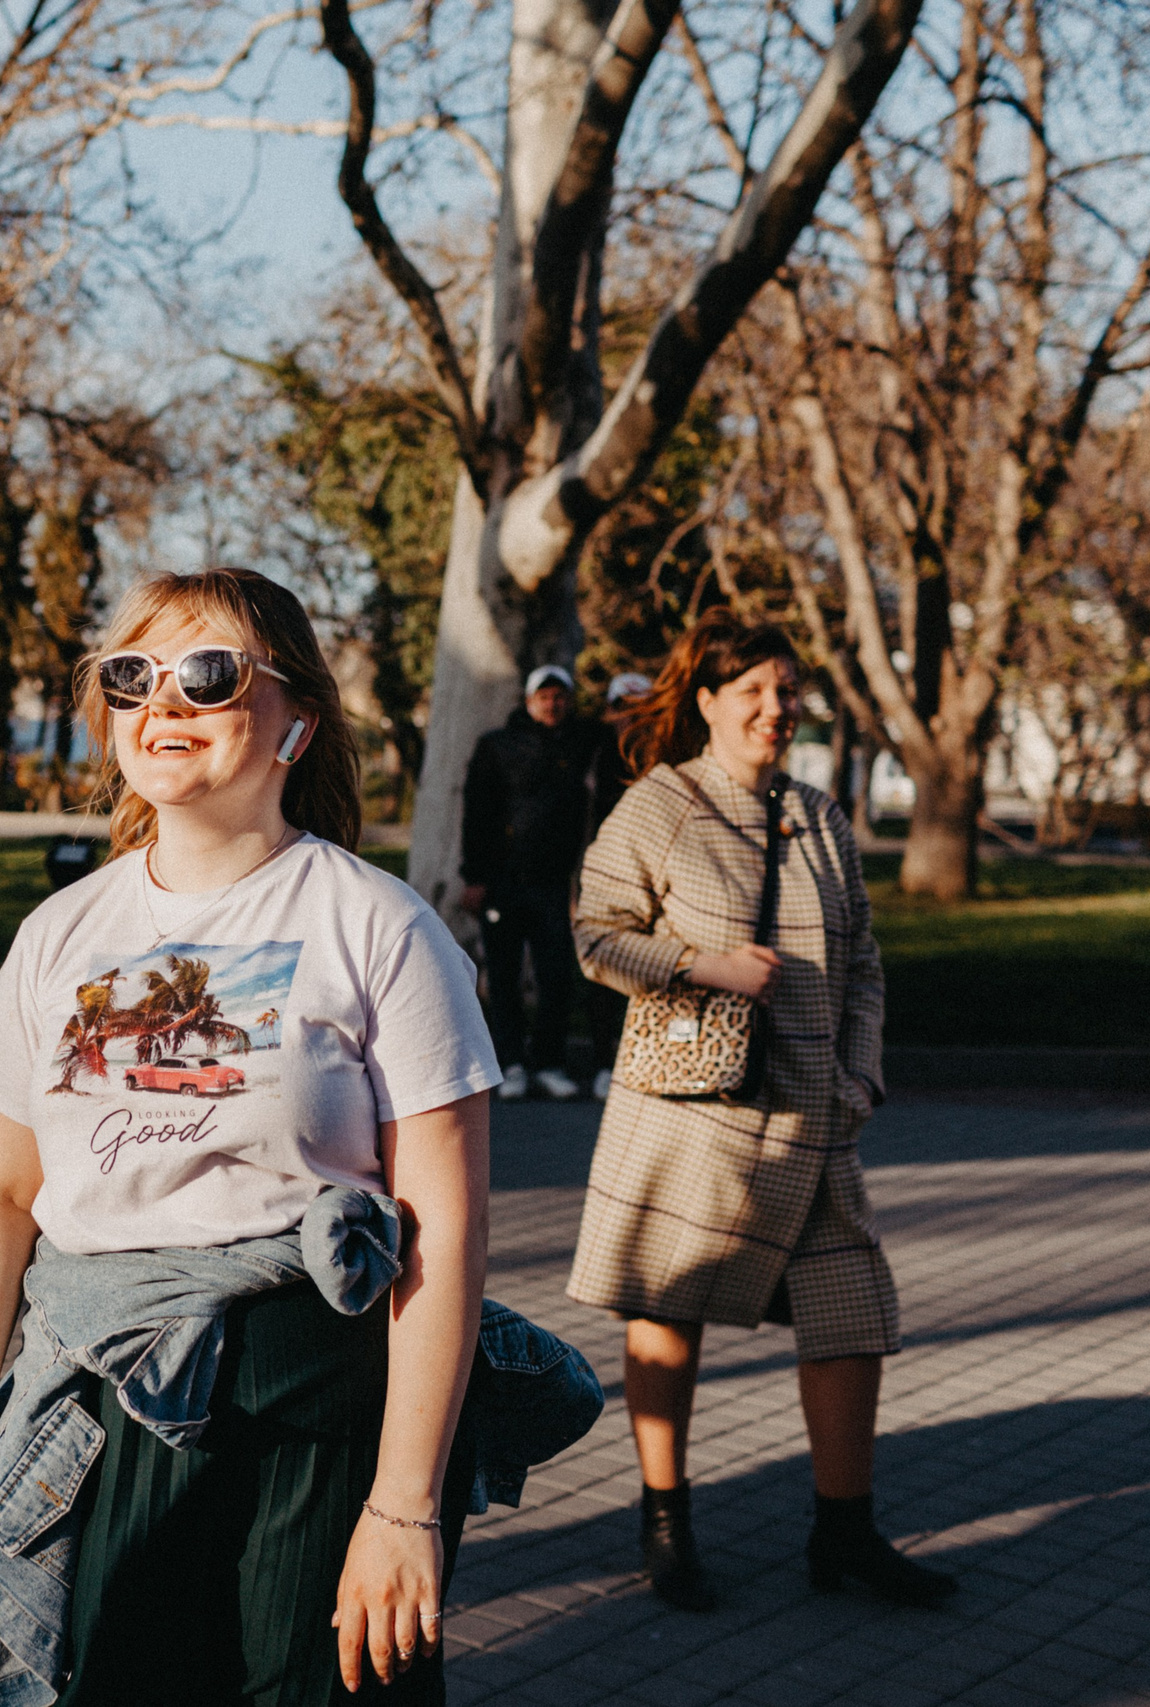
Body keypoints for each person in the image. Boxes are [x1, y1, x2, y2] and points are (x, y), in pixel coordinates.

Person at [0, 567, 500, 1707]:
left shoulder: (379, 926)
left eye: (210, 673)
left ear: (296, 723)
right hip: (98, 1415)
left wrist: (404, 1504)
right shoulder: (58, 934)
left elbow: (445, 1224)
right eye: (131, 676)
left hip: (316, 1411)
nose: (163, 702)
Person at [567, 609, 953, 1613]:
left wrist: (861, 1075)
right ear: (705, 701)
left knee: (852, 1315)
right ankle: (664, 1520)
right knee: (669, 1312)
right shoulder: (661, 805)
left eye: (786, 692)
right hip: (694, 1115)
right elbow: (596, 936)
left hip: (814, 1119)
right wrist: (705, 965)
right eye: (752, 692)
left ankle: (844, 1532)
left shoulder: (819, 816)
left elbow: (863, 962)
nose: (775, 709)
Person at [459, 664, 606, 1102]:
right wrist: (474, 877)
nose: (552, 703)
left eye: (559, 696)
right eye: (544, 696)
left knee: (555, 975)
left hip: (553, 883)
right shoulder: (497, 745)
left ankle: (548, 1063)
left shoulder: (581, 743)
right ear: (528, 701)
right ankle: (510, 1063)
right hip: (501, 880)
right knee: (503, 976)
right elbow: (476, 811)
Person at [582, 672, 655, 1100]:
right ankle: (602, 1060)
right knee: (602, 967)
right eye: (623, 707)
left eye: (641, 707)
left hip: (649, 875)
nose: (631, 716)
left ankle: (637, 1057)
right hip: (599, 874)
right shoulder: (593, 752)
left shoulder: (662, 755)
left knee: (646, 968)